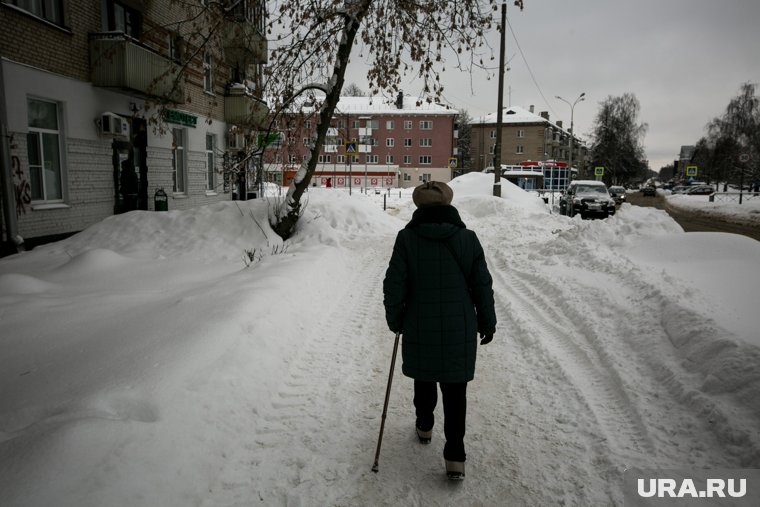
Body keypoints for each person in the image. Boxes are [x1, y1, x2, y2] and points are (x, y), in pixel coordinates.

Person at [382, 180, 496, 480]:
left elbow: (394, 284)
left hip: (419, 322)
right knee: (456, 390)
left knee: (425, 376)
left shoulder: (406, 238)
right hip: (460, 325)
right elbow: (482, 284)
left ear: (419, 206)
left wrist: (395, 319)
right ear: (448, 204)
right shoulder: (467, 239)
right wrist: (487, 320)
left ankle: (424, 424)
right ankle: (455, 456)